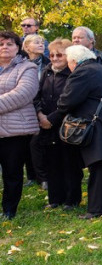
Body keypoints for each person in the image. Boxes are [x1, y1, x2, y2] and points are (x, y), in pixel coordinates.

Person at [58, 45, 102, 219]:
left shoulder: (82, 72)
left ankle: (98, 208)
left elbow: (67, 101)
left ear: (74, 61)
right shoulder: (101, 69)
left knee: (98, 165)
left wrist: (58, 108)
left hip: (97, 125)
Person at [32, 38, 84, 209]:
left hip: (66, 125)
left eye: (59, 55)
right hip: (46, 125)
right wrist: (40, 115)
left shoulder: (73, 74)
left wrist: (51, 119)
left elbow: (71, 101)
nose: (55, 58)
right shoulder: (47, 72)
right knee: (51, 162)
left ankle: (71, 200)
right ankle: (55, 198)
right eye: (52, 55)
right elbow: (37, 95)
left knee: (69, 163)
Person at [0, 31, 39, 219]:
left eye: (9, 44)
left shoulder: (27, 68)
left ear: (18, 47)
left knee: (12, 172)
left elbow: (23, 93)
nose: (4, 47)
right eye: (1, 44)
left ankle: (9, 209)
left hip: (15, 130)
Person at [21, 34, 49, 187]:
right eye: (36, 42)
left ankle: (43, 177)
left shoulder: (48, 63)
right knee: (26, 142)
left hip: (43, 107)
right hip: (24, 107)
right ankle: (32, 176)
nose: (41, 44)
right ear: (27, 47)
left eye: (42, 42)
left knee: (37, 142)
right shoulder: (20, 64)